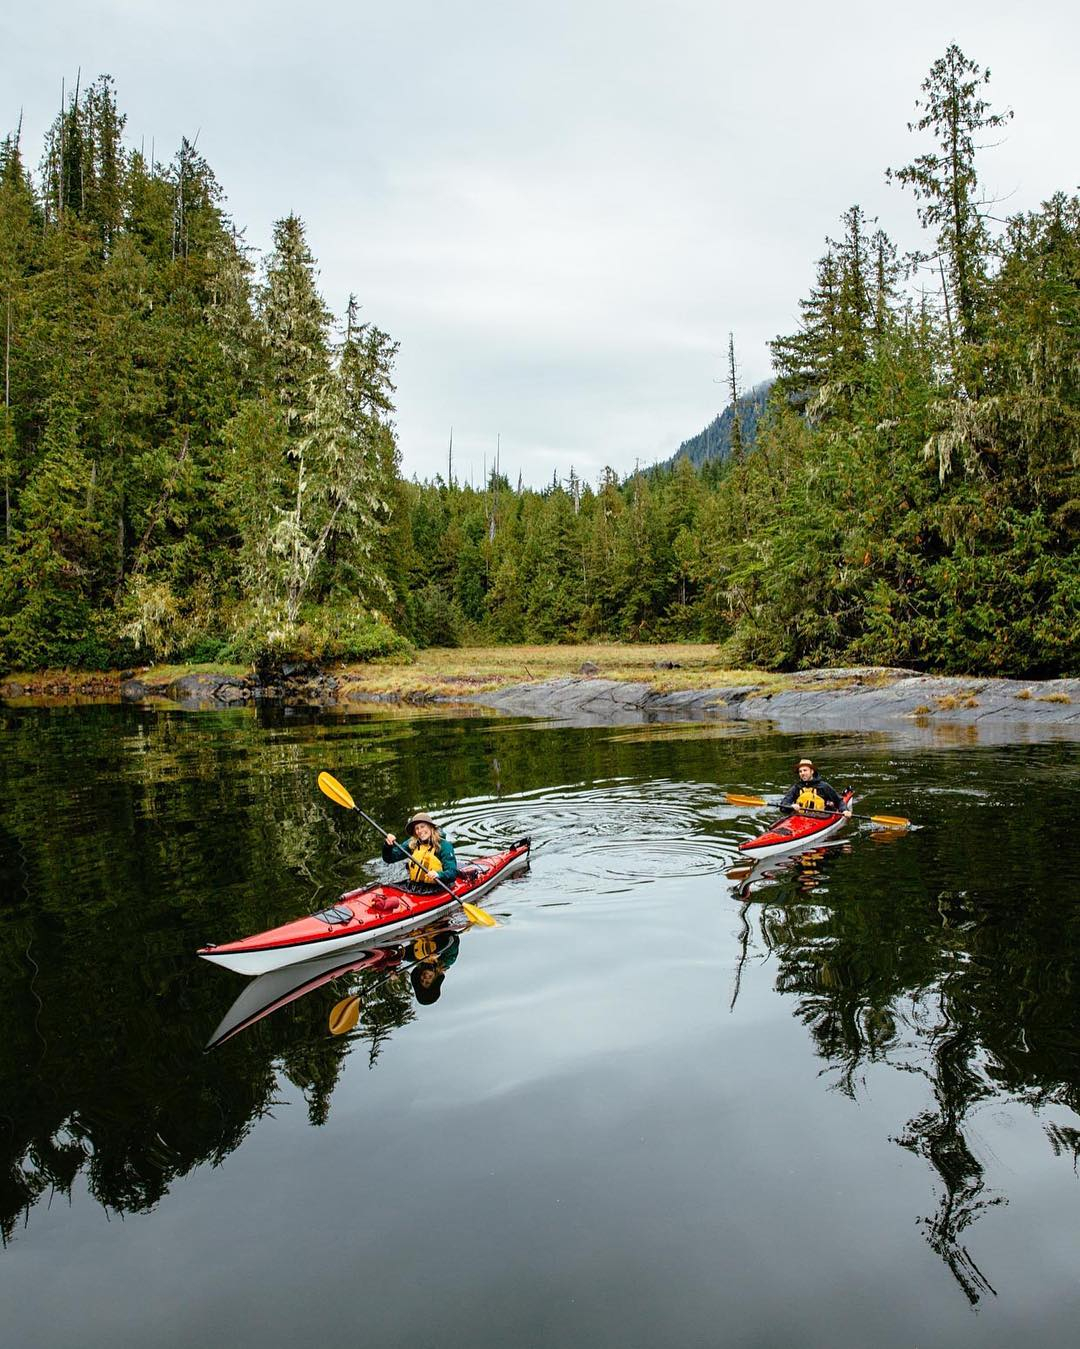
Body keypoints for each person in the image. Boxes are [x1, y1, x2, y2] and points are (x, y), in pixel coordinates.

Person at [382, 811, 459, 892]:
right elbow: (389, 858)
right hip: (415, 886)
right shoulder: (412, 843)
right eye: (417, 828)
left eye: (422, 826)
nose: (420, 831)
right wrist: (388, 845)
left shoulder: (444, 846)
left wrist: (438, 874)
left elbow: (452, 873)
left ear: (430, 827)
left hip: (438, 887)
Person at [779, 758, 852, 817]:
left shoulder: (823, 786)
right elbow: (783, 806)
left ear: (812, 771)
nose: (802, 773)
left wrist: (844, 810)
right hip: (800, 817)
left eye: (805, 770)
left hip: (821, 818)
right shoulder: (796, 788)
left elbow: (839, 801)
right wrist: (791, 806)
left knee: (832, 804)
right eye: (800, 771)